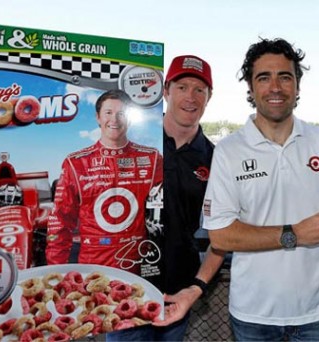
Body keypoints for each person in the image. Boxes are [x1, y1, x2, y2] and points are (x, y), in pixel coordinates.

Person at [202, 38, 319, 341]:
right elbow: (221, 234)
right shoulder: (229, 150)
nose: (275, 87)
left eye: (285, 76)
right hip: (253, 315)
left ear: (298, 86)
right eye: (263, 78)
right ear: (251, 90)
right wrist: (294, 233)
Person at [109, 55, 226, 341]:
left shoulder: (214, 157)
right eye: (182, 87)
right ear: (166, 91)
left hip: (178, 289)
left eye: (200, 90)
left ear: (209, 97)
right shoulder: (132, 140)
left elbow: (223, 232)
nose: (191, 97)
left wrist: (196, 285)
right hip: (127, 283)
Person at [46, 89, 163, 275]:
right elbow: (60, 221)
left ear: (130, 118)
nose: (114, 120)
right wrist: (54, 273)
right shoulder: (75, 163)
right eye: (108, 113)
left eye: (121, 113)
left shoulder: (152, 158)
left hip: (139, 264)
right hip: (92, 267)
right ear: (98, 118)